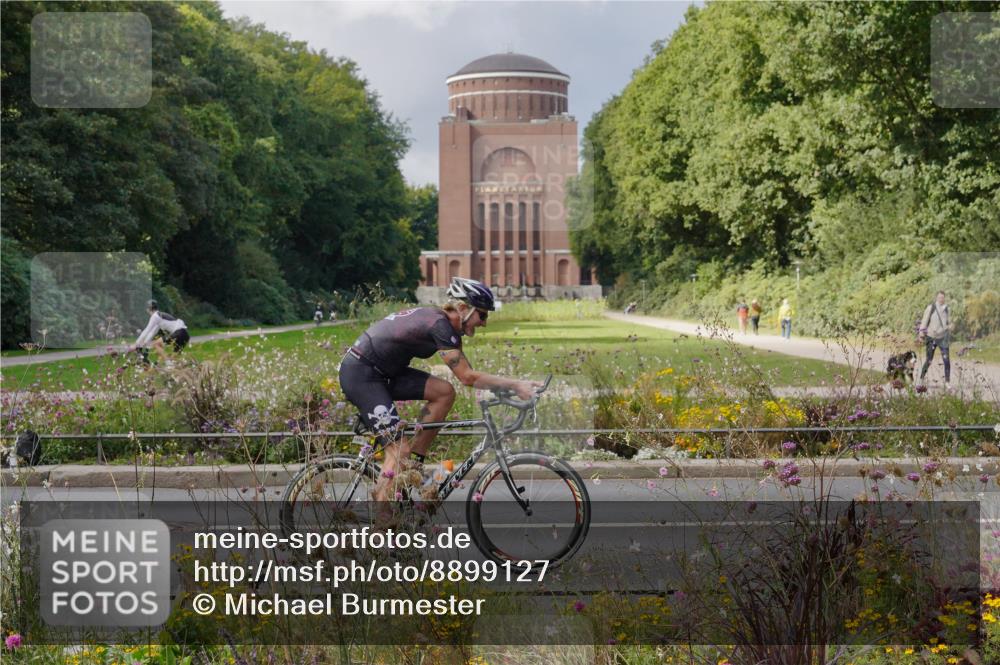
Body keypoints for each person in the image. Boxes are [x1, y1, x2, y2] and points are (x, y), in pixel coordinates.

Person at [339, 277, 539, 502]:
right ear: (463, 308)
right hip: (362, 375)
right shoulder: (440, 325)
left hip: (385, 373)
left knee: (444, 392)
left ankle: (413, 467)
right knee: (398, 450)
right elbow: (467, 377)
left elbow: (470, 375)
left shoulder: (448, 328)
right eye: (482, 315)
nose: (484, 322)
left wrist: (507, 390)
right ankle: (382, 529)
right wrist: (516, 384)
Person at [130, 300, 189, 364]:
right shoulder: (159, 317)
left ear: (148, 309)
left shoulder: (155, 316)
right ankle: (174, 366)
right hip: (185, 334)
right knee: (173, 359)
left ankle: (168, 363)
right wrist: (144, 343)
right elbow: (152, 332)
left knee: (156, 344)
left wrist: (136, 344)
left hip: (178, 332)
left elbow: (147, 330)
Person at [918, 291, 952, 384]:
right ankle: (921, 378)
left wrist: (950, 326)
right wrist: (921, 334)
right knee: (929, 360)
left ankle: (947, 382)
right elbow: (924, 320)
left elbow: (949, 322)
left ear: (944, 298)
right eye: (939, 297)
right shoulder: (931, 308)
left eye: (943, 297)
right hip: (931, 337)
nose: (941, 299)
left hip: (943, 338)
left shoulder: (947, 309)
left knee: (946, 360)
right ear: (936, 298)